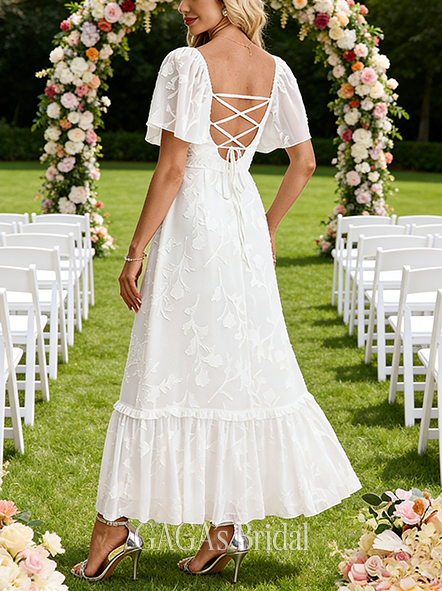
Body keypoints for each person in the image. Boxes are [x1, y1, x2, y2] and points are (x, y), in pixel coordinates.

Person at [72, 0, 361, 582]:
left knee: (162, 365)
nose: (182, 7)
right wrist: (267, 227)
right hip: (243, 223)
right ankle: (222, 531)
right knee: (236, 369)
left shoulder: (187, 63)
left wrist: (135, 250)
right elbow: (304, 163)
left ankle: (113, 527)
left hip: (193, 226)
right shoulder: (276, 70)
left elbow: (173, 169)